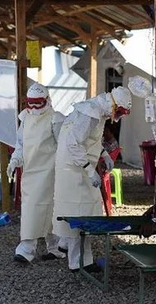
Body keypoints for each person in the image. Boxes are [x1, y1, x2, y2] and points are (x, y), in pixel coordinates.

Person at [52, 86, 132, 273]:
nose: (119, 116)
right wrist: (89, 169)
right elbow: (73, 143)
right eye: (119, 112)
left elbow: (91, 141)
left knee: (86, 211)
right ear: (113, 104)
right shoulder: (90, 113)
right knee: (77, 213)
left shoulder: (99, 112)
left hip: (79, 166)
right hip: (72, 168)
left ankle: (82, 258)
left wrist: (104, 155)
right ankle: (76, 262)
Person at [7, 83, 66, 264]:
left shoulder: (56, 119)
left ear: (47, 100)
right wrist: (14, 160)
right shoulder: (25, 118)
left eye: (37, 103)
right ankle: (28, 248)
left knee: (50, 210)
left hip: (51, 172)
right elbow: (21, 145)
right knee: (31, 208)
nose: (33, 108)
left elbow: (63, 146)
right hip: (31, 172)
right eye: (30, 103)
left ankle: (51, 247)